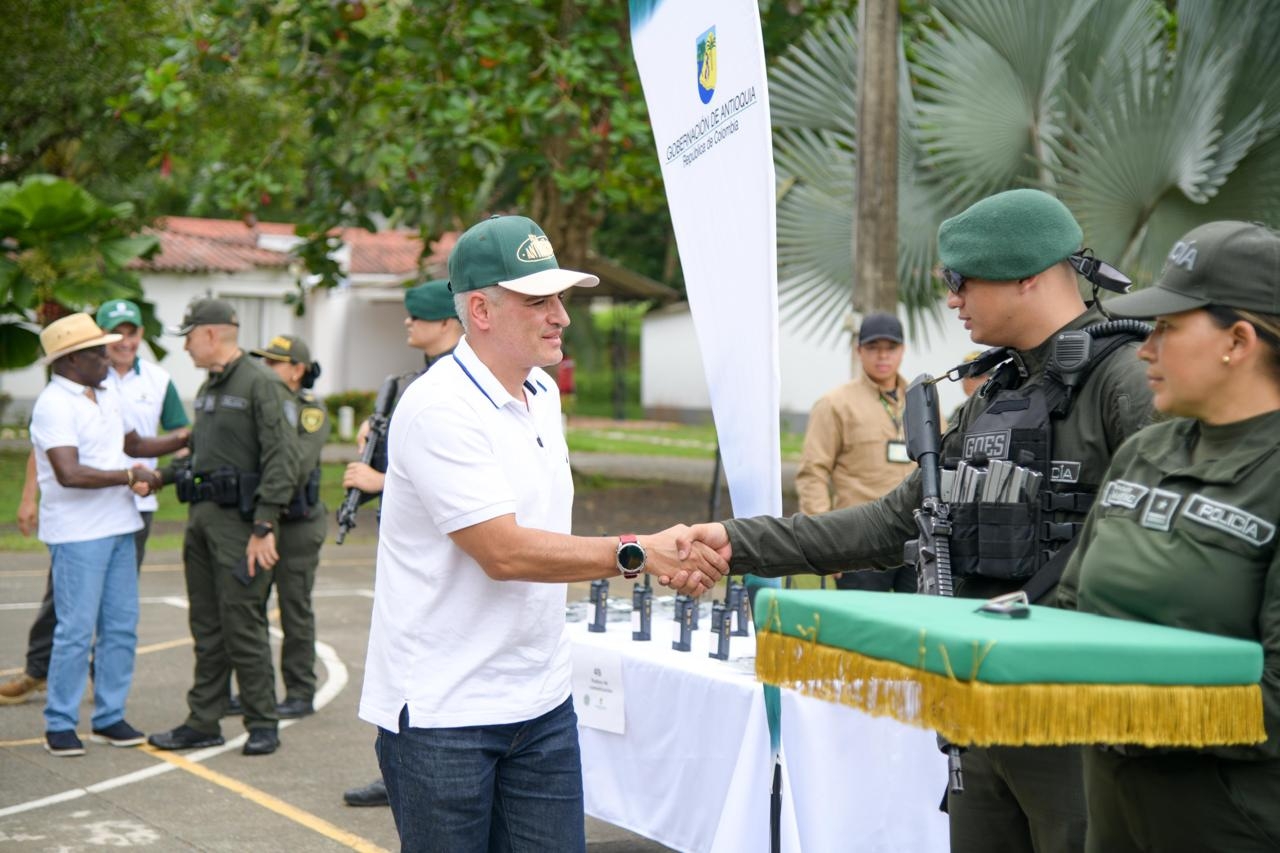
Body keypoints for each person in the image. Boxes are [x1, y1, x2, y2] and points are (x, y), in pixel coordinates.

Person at [674, 189, 1155, 853]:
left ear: (1029, 276)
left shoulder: (1126, 379)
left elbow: (1162, 548)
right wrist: (735, 541)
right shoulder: (996, 391)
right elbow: (883, 525)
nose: (952, 300)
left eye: (961, 281)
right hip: (980, 709)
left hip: (1077, 716)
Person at [358, 214, 725, 849]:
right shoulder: (438, 406)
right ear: (481, 309)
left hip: (542, 701)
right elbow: (502, 551)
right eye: (540, 300)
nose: (562, 315)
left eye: (560, 297)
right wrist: (640, 553)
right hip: (447, 716)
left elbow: (543, 531)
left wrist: (658, 557)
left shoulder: (540, 389)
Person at [1057, 220, 1280, 852]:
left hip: (1228, 825)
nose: (1144, 349)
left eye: (1168, 328)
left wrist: (1117, 712)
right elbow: (1073, 610)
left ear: (1237, 341)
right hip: (1113, 815)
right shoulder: (1143, 453)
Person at [1, 300, 189, 707]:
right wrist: (129, 476)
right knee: (74, 627)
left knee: (120, 626)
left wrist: (189, 438)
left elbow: (135, 443)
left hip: (123, 523)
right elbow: (68, 472)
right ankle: (61, 720)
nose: (109, 352)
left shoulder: (104, 394)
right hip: (79, 534)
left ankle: (108, 714)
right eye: (98, 349)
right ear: (70, 360)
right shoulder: (54, 404)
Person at [147, 297, 301, 757]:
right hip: (203, 520)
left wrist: (265, 524)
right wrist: (161, 476)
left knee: (243, 623)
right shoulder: (210, 387)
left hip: (242, 526)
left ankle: (261, 722)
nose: (187, 347)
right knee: (207, 624)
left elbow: (283, 458)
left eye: (189, 337)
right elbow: (203, 458)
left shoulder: (260, 384)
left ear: (211, 334)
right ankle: (204, 720)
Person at [341, 277, 462, 808]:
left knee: (427, 665)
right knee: (403, 663)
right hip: (411, 546)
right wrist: (376, 444)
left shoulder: (456, 386)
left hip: (449, 555)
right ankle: (399, 771)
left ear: (450, 323)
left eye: (419, 315)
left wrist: (380, 482)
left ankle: (413, 774)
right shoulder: (418, 383)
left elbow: (456, 489)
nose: (408, 322)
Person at [794, 312, 917, 591]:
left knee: (919, 630)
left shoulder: (921, 399)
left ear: (903, 351)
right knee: (864, 631)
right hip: (860, 540)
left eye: (891, 348)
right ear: (859, 351)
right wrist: (825, 543)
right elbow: (813, 472)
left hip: (916, 539)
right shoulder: (835, 404)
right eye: (873, 348)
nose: (882, 356)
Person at [250, 334, 328, 720]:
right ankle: (255, 689)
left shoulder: (310, 411)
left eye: (275, 363)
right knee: (250, 607)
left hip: (297, 523)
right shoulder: (264, 405)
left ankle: (300, 690)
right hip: (266, 520)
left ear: (297, 370)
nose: (267, 370)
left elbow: (295, 464)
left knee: (294, 608)